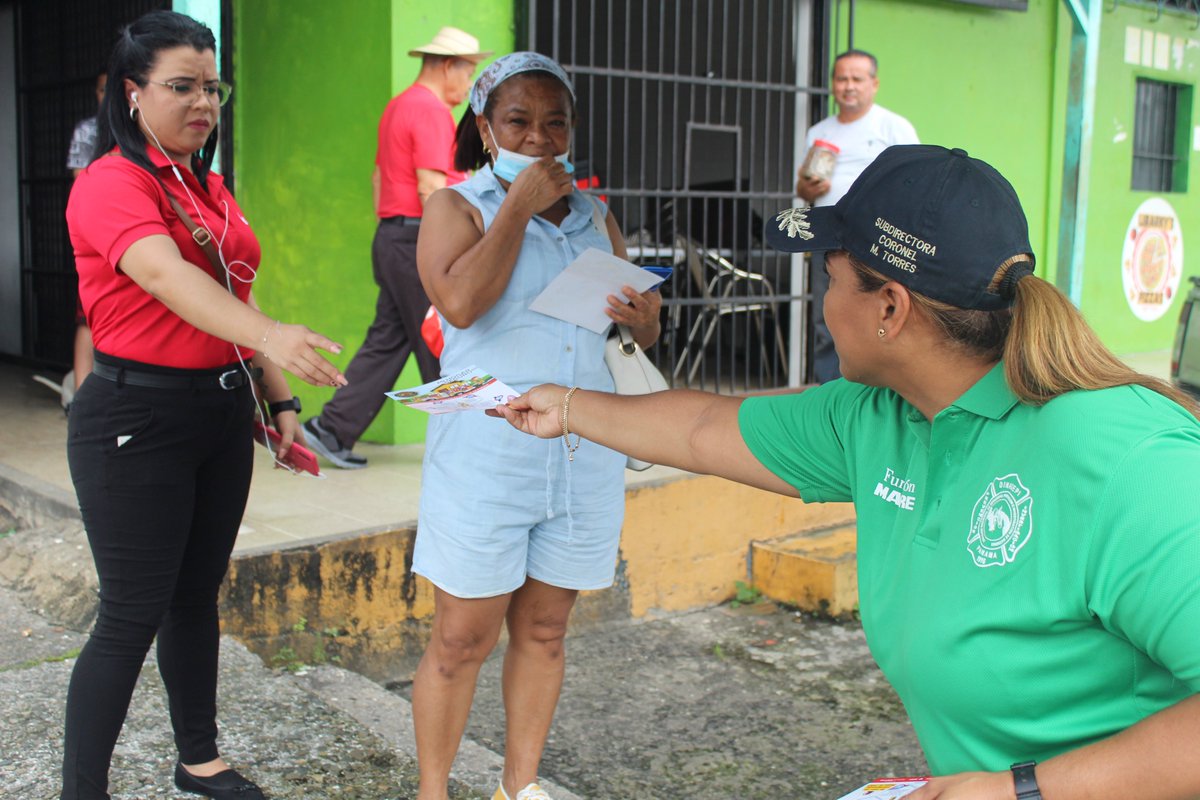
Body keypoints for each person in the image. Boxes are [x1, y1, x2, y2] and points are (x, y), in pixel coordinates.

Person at [494, 144, 1200, 800]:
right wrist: (567, 406)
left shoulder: (1124, 459)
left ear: (890, 306)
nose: (823, 304)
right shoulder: (875, 418)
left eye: (829, 280)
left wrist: (1024, 790)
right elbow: (706, 428)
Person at [63, 10, 348, 799]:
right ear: (132, 93)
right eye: (180, 87)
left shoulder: (206, 184)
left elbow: (230, 289)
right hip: (136, 421)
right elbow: (164, 276)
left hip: (218, 414)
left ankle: (199, 758)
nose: (202, 103)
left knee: (195, 598)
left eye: (212, 88)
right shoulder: (110, 183)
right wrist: (272, 333)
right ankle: (80, 788)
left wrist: (279, 400)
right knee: (129, 615)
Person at [412, 52, 663, 800]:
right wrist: (517, 206)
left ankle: (517, 789)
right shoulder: (455, 208)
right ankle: (433, 791)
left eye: (556, 122)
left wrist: (645, 320)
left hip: (583, 450)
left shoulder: (597, 217)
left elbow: (628, 338)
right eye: (519, 121)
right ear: (486, 129)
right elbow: (459, 305)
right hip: (487, 454)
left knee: (547, 632)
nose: (541, 137)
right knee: (461, 639)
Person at [302, 26, 490, 470]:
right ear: (448, 67)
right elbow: (431, 188)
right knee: (445, 339)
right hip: (416, 239)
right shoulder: (429, 111)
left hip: (394, 236)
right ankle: (464, 444)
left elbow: (377, 179)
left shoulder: (399, 107)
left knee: (389, 340)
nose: (468, 86)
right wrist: (450, 248)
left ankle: (332, 428)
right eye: (468, 73)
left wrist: (394, 233)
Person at [797, 49, 918, 383]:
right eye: (841, 78)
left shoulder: (893, 127)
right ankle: (831, 393)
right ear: (833, 83)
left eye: (856, 78)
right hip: (830, 240)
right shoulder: (820, 132)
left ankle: (878, 393)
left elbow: (913, 186)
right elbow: (804, 194)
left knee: (880, 317)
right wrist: (808, 187)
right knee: (828, 318)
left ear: (874, 83)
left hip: (877, 242)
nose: (848, 86)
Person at [66, 66, 108, 399]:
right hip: (99, 235)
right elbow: (82, 183)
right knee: (88, 317)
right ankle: (81, 396)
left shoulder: (143, 130)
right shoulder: (89, 131)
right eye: (101, 90)